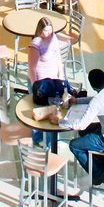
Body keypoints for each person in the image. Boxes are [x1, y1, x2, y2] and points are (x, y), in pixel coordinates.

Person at [68, 68, 104, 174]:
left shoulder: (98, 101)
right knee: (84, 132)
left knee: (74, 145)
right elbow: (96, 99)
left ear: (91, 85)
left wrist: (59, 121)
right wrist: (77, 101)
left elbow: (81, 124)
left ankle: (99, 174)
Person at [27, 15, 69, 144]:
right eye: (46, 30)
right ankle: (39, 137)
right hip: (41, 82)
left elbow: (57, 58)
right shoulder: (35, 44)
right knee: (40, 110)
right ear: (40, 30)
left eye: (50, 30)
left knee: (55, 109)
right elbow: (31, 68)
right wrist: (36, 86)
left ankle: (53, 140)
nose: (49, 33)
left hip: (54, 80)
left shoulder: (53, 38)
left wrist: (61, 76)